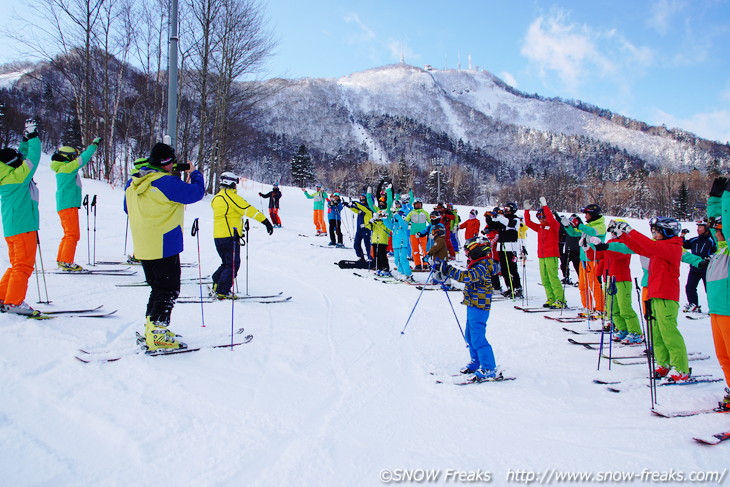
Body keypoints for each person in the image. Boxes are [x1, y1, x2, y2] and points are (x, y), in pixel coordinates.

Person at [124, 142, 205, 351]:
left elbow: (127, 209)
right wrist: (194, 173)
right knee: (168, 289)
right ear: (168, 163)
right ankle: (158, 332)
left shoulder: (132, 184)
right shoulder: (165, 183)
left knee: (158, 288)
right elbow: (196, 193)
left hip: (143, 245)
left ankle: (152, 328)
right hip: (164, 244)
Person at [612, 217, 690, 381]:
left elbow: (650, 245)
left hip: (666, 296)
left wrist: (630, 231)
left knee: (669, 332)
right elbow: (639, 247)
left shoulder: (673, 247)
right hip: (654, 294)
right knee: (656, 332)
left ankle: (681, 368)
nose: (654, 234)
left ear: (667, 232)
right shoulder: (659, 247)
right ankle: (663, 363)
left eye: (657, 231)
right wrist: (623, 236)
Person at [433, 237, 497, 381]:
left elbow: (466, 277)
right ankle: (476, 361)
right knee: (469, 336)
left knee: (478, 337)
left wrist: (448, 269)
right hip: (472, 304)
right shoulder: (478, 263)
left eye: (468, 250)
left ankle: (489, 368)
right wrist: (444, 267)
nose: (467, 253)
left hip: (480, 306)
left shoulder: (483, 266)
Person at [0, 119, 42, 317]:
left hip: (14, 226)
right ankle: (14, 302)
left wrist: (25, 139)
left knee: (16, 265)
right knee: (23, 266)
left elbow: (22, 156)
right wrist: (33, 138)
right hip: (22, 226)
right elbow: (32, 158)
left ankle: (4, 296)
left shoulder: (8, 174)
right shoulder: (18, 177)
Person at [212, 172, 274, 299]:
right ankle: (222, 291)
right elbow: (248, 210)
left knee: (226, 262)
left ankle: (217, 282)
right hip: (230, 236)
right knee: (233, 264)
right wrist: (265, 221)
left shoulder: (217, 197)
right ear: (232, 183)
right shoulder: (232, 198)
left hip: (218, 236)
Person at [50, 138, 101, 271]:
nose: (75, 159)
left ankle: (62, 260)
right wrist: (93, 146)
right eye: (73, 157)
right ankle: (66, 262)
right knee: (73, 234)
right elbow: (83, 159)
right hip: (67, 204)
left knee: (69, 233)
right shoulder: (67, 168)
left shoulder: (62, 168)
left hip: (65, 204)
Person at [590, 222, 643, 344]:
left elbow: (618, 256)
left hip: (621, 278)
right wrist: (598, 272)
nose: (612, 233)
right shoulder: (610, 243)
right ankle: (622, 328)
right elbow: (602, 257)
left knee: (624, 307)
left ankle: (635, 331)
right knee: (612, 307)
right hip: (609, 278)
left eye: (614, 231)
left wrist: (604, 247)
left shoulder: (626, 243)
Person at [705, 177, 730, 409]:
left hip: (728, 310)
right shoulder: (720, 248)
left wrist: (727, 196)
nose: (716, 231)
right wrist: (714, 198)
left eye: (721, 229)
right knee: (723, 357)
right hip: (717, 310)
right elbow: (715, 221)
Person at [560, 204, 606, 314]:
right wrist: (567, 226)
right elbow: (573, 233)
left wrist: (579, 225)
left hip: (594, 259)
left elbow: (592, 232)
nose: (585, 216)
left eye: (587, 214)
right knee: (583, 286)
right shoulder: (587, 226)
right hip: (583, 259)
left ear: (593, 214)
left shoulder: (600, 226)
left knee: (595, 285)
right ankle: (588, 307)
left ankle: (600, 309)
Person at [524, 197, 566, 309]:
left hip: (551, 254)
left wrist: (545, 206)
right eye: (538, 217)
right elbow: (528, 223)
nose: (541, 219)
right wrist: (527, 211)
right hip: (542, 255)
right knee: (545, 278)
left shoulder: (554, 226)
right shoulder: (540, 227)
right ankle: (551, 298)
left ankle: (560, 299)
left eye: (543, 216)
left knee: (553, 277)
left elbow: (552, 220)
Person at [487, 202, 522, 298]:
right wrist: (489, 217)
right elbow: (493, 225)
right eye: (505, 208)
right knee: (504, 270)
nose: (505, 210)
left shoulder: (515, 219)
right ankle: (510, 287)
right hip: (501, 247)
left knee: (512, 268)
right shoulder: (503, 220)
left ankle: (517, 288)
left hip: (510, 247)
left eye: (507, 209)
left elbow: (508, 223)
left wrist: (499, 216)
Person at [681, 219, 716, 313]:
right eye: (697, 227)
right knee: (689, 287)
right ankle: (694, 305)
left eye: (700, 227)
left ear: (707, 229)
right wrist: (682, 235)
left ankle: (714, 308)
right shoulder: (695, 240)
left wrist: (710, 258)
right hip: (694, 268)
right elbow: (681, 244)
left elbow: (717, 251)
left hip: (707, 269)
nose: (698, 229)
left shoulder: (711, 240)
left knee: (709, 289)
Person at [386, 203, 414, 281]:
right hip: (396, 245)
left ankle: (408, 274)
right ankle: (401, 272)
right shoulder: (395, 225)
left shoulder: (404, 223)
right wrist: (384, 218)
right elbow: (389, 225)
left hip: (402, 244)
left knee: (402, 259)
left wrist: (397, 215)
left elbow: (404, 225)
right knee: (396, 260)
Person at [343, 194, 372, 262]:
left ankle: (370, 258)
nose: (362, 200)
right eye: (361, 198)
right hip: (359, 229)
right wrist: (347, 204)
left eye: (363, 199)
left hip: (366, 229)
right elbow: (355, 209)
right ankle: (360, 257)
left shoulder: (368, 209)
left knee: (367, 244)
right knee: (356, 243)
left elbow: (363, 207)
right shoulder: (360, 209)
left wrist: (355, 202)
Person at [405, 198, 429, 270]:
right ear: (414, 205)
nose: (418, 205)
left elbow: (430, 221)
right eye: (416, 204)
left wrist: (429, 229)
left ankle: (425, 263)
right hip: (413, 233)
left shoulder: (425, 213)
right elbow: (406, 221)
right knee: (415, 249)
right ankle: (417, 264)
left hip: (422, 233)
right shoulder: (411, 213)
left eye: (419, 204)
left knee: (425, 249)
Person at [366, 209, 392, 276]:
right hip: (375, 241)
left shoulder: (385, 223)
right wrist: (370, 222)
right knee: (376, 255)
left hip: (382, 241)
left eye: (382, 215)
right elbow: (369, 227)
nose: (381, 217)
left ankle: (386, 269)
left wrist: (385, 220)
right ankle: (379, 268)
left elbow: (389, 228)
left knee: (382, 255)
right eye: (380, 216)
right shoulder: (375, 223)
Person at [559, 216, 581, 285]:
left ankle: (581, 279)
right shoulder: (568, 229)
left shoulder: (579, 229)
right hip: (568, 249)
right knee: (564, 264)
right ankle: (566, 277)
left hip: (577, 250)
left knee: (577, 266)